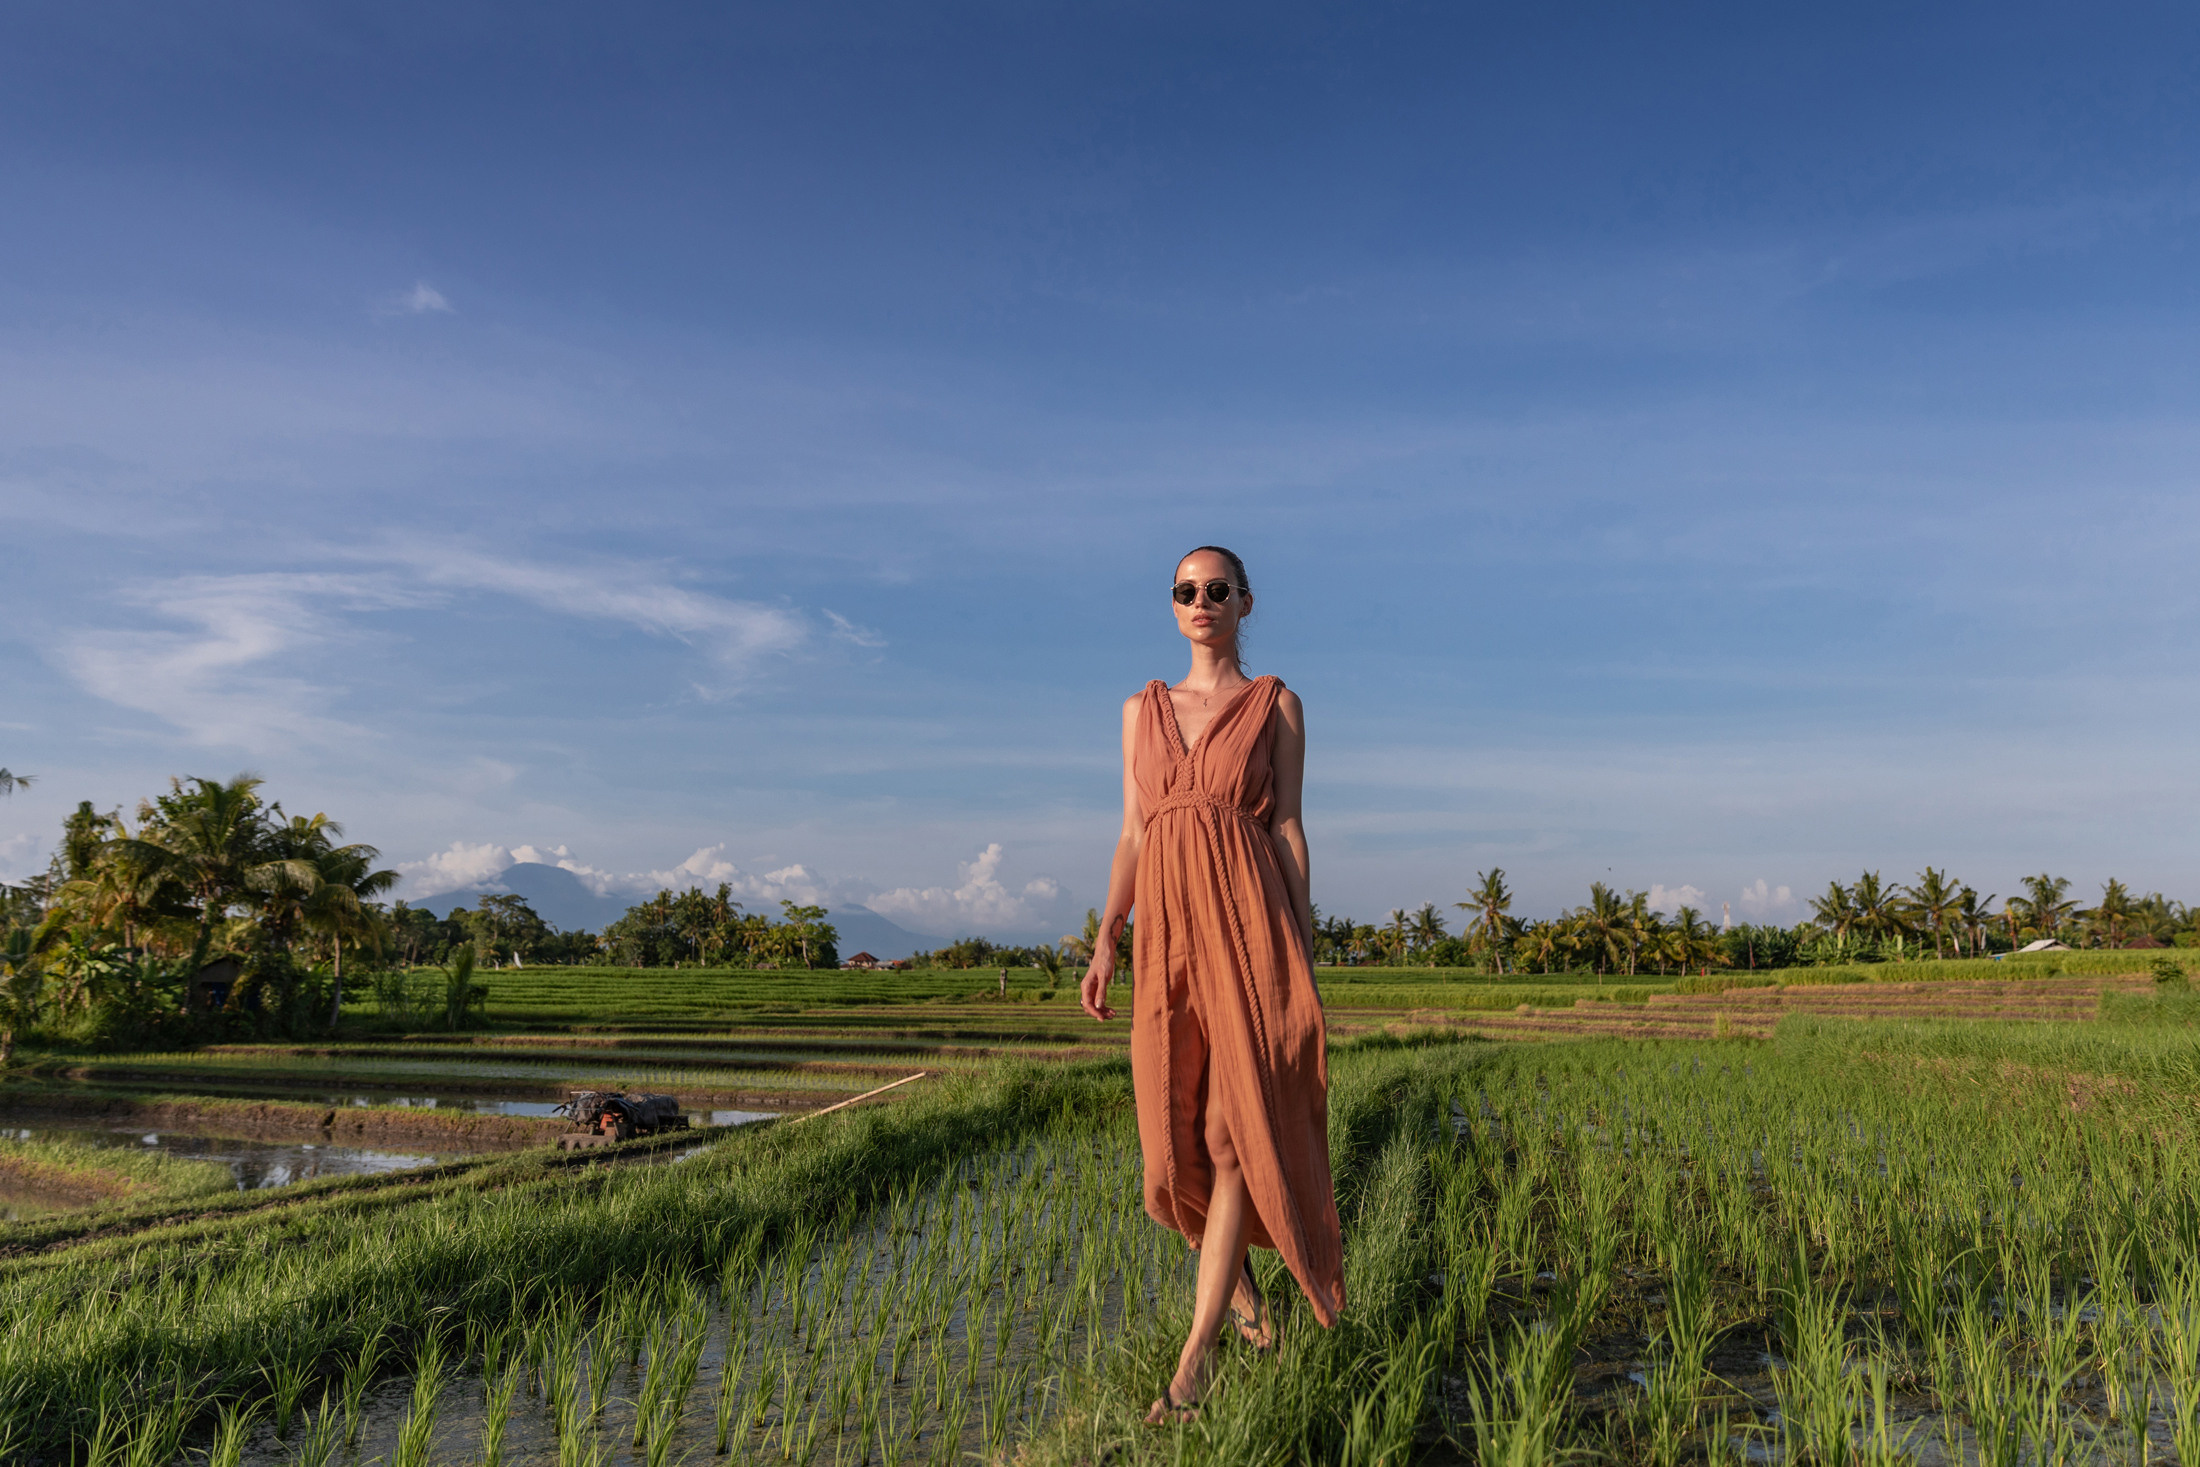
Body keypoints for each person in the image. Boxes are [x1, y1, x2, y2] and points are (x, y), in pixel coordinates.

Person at [1080, 545, 1346, 1425]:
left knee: (1234, 1135)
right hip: (1163, 932)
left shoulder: (1277, 703)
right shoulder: (1139, 710)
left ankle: (1193, 1363)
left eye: (1217, 589)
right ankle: (1239, 1290)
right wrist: (1105, 939)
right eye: (1186, 590)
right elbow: (1130, 831)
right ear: (1174, 606)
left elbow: (1291, 828)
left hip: (1250, 922)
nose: (1202, 600)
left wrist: (1301, 941)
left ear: (1245, 602)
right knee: (1168, 1143)